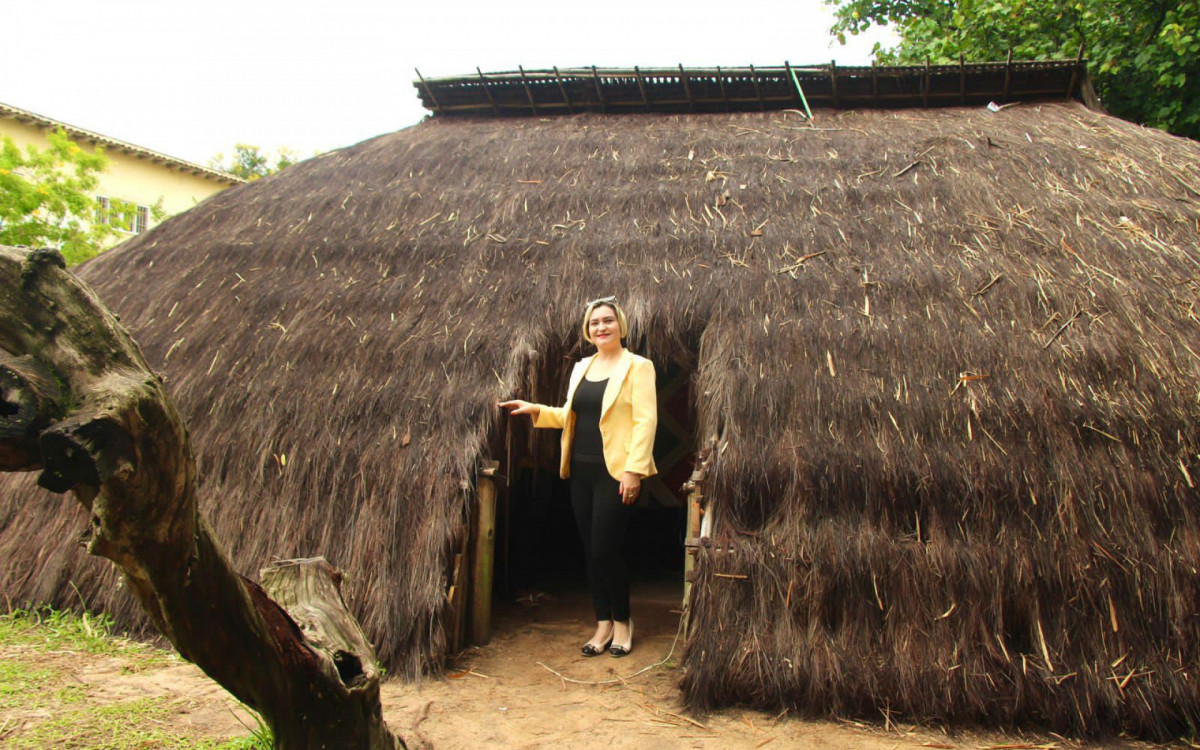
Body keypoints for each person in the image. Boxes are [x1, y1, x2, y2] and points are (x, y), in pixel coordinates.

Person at [499, 296, 657, 657]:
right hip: (580, 470)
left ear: (620, 325)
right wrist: (537, 409)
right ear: (588, 331)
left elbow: (645, 421)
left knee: (606, 547)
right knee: (590, 549)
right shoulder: (583, 367)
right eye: (594, 323)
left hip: (615, 472)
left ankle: (622, 621)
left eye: (607, 320)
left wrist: (634, 470)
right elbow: (572, 415)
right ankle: (602, 623)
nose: (601, 327)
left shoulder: (638, 367)